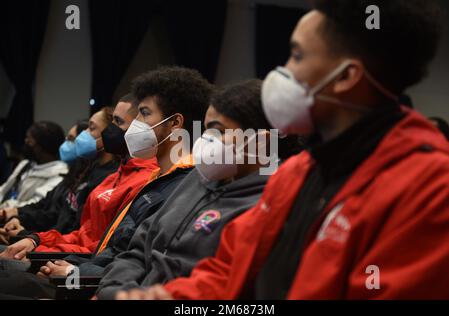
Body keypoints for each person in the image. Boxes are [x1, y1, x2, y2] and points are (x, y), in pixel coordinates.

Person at [132, 0, 449, 300]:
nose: (281, 72)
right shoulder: (300, 172)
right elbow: (228, 270)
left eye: (297, 56)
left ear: (347, 76)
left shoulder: (429, 189)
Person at [0, 66, 213, 299]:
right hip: (88, 274)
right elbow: (106, 248)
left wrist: (76, 272)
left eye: (144, 113)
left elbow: (141, 265)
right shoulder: (157, 178)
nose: (135, 124)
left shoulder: (181, 188)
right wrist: (45, 246)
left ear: (174, 124)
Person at [94, 79, 303, 300]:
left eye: (218, 131)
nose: (205, 141)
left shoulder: (270, 203)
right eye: (205, 130)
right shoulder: (196, 179)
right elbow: (137, 250)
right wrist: (115, 291)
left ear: (260, 142)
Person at [0, 100, 159, 264]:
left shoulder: (138, 180)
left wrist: (38, 249)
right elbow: (81, 233)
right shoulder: (98, 173)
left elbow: (103, 251)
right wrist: (34, 239)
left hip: (74, 267)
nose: (110, 129)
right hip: (64, 253)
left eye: (117, 122)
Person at [0, 111, 119, 244]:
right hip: (45, 241)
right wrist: (19, 218)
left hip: (55, 249)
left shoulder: (105, 178)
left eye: (91, 128)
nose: (81, 138)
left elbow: (72, 229)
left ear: (109, 133)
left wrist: (26, 235)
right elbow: (51, 209)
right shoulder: (84, 172)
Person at [0, 121, 67, 209]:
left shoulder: (59, 173)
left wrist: (7, 207)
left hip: (21, 217)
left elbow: (36, 204)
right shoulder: (26, 164)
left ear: (42, 146)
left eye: (29, 140)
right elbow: (4, 189)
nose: (26, 142)